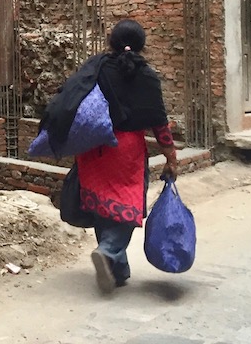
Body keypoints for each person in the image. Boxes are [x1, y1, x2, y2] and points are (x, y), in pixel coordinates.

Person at [75, 18, 178, 294]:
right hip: (126, 150)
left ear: (112, 42)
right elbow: (159, 122)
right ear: (142, 45)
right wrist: (170, 156)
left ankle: (118, 271)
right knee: (128, 207)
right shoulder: (147, 77)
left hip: (93, 146)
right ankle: (108, 251)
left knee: (102, 204)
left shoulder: (97, 68)